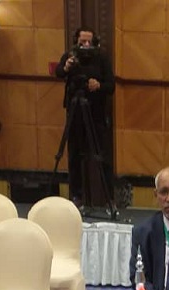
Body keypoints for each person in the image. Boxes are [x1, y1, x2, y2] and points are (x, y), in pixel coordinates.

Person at [55, 27, 115, 209]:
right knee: (74, 156)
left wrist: (98, 85)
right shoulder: (70, 56)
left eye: (90, 41)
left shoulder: (102, 59)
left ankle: (109, 199)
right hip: (75, 114)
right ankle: (77, 196)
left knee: (102, 156)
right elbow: (58, 72)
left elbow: (111, 85)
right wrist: (66, 67)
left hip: (96, 114)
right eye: (83, 42)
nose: (86, 45)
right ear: (76, 41)